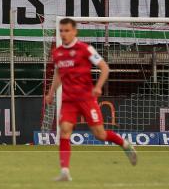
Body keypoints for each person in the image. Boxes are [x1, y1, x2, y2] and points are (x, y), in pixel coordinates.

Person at [45, 18, 137, 182]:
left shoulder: (85, 49)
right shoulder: (57, 53)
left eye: (67, 30)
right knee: (65, 131)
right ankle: (65, 171)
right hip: (68, 101)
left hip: (86, 99)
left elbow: (104, 68)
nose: (64, 34)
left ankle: (124, 144)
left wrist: (98, 87)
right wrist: (51, 93)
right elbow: (58, 74)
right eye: (61, 31)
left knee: (100, 135)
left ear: (75, 31)